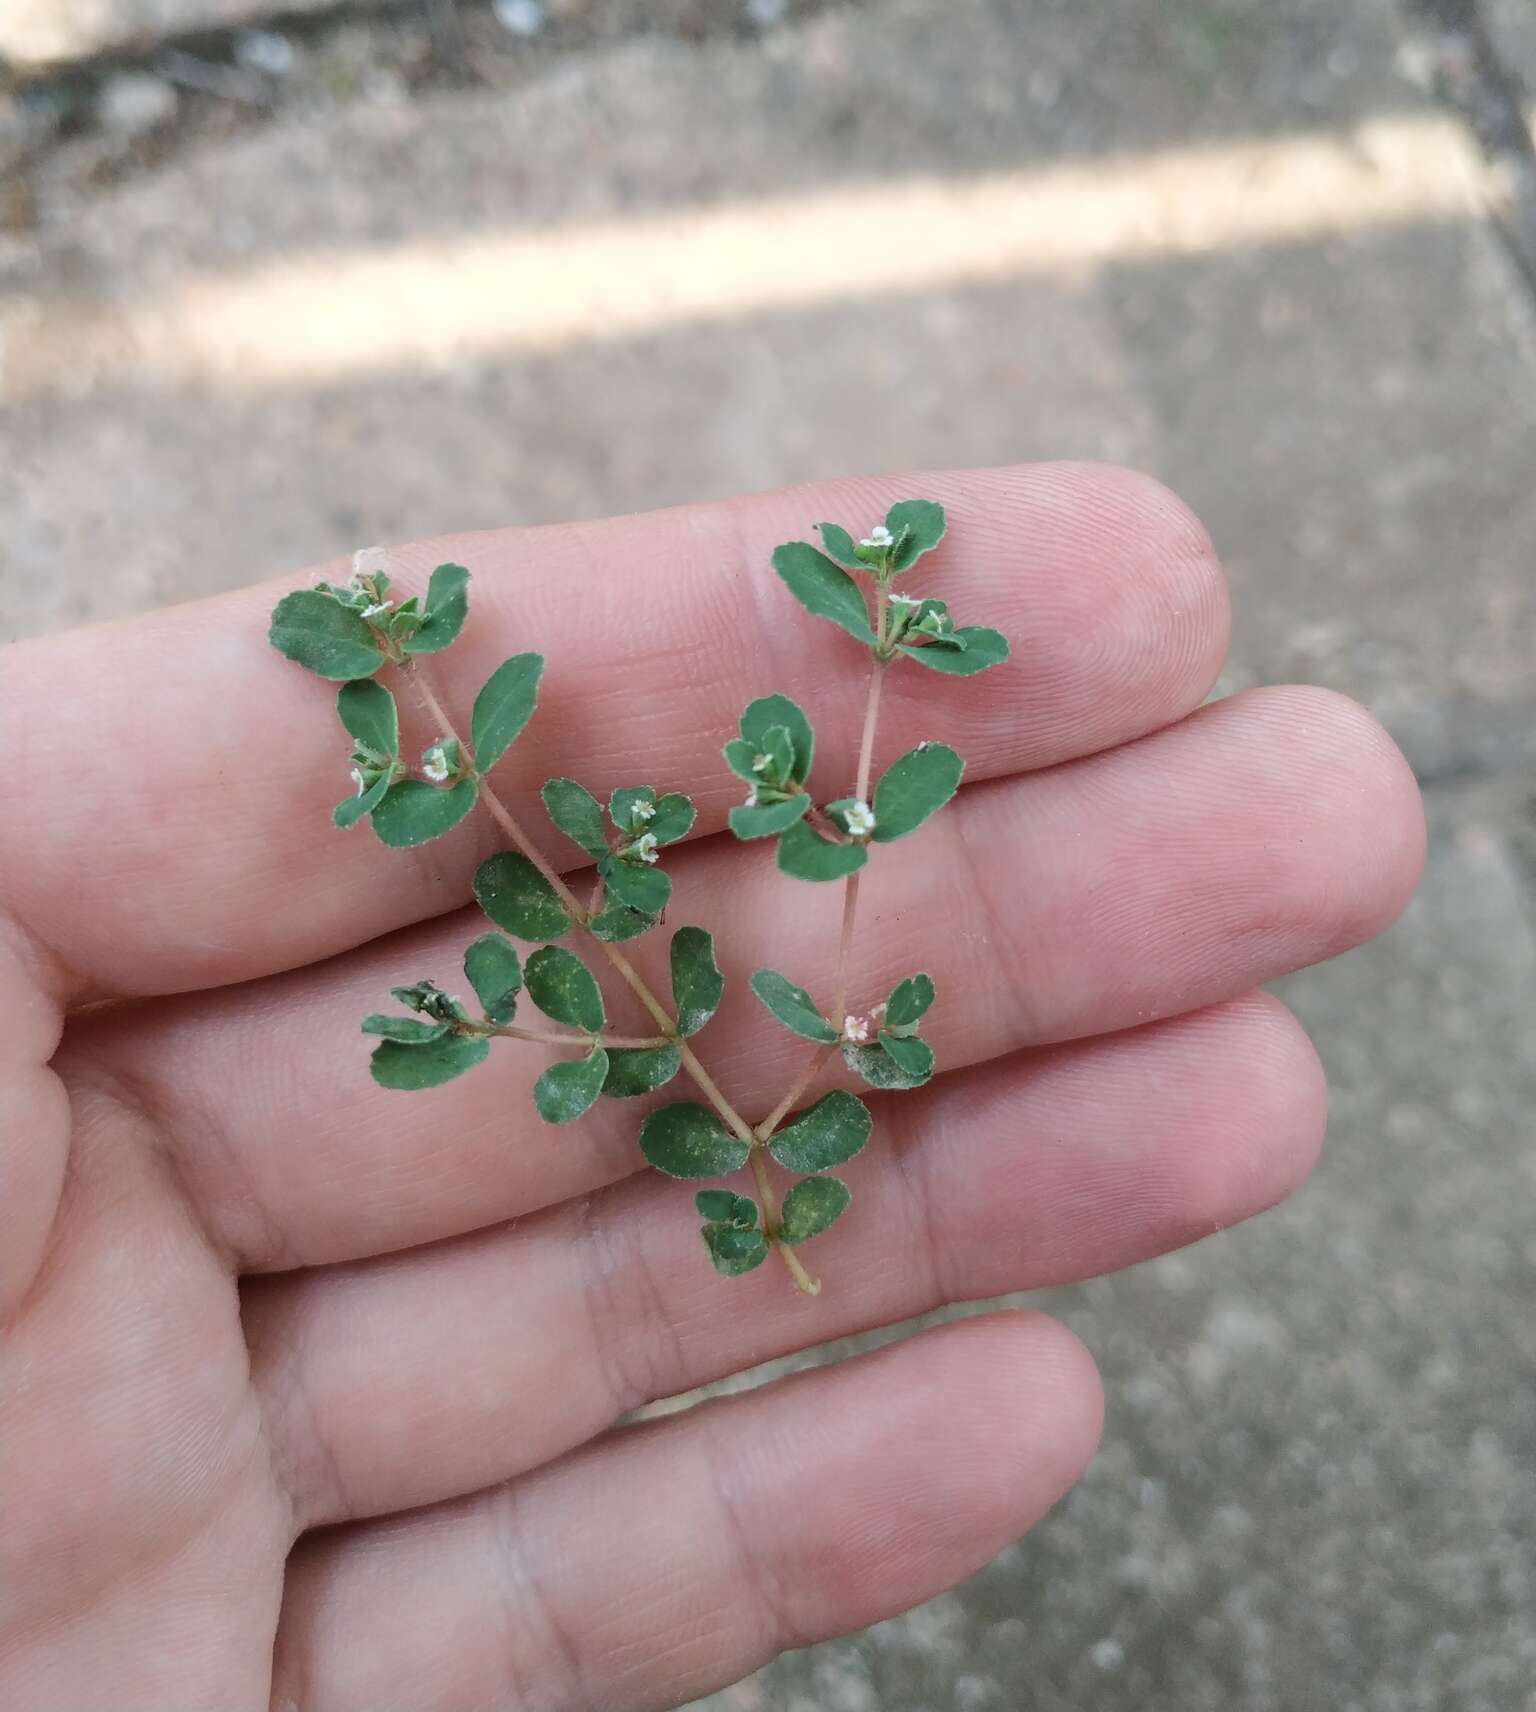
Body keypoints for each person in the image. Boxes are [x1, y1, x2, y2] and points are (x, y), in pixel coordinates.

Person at [0, 464, 1425, 1710]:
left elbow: (774, 850)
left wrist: (809, 921)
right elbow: (528, 843)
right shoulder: (466, 779)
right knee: (565, 957)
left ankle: (748, 1170)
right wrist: (426, 743)